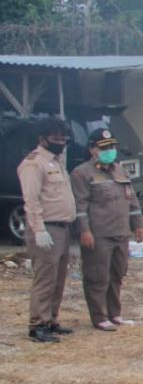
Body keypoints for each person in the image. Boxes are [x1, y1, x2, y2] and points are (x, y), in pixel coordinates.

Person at [70, 128, 143, 331]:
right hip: (99, 234)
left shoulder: (119, 170)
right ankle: (99, 316)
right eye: (104, 148)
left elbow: (132, 201)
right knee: (97, 276)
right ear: (92, 149)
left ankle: (115, 313)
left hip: (120, 232)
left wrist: (138, 225)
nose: (110, 151)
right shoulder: (82, 173)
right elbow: (80, 206)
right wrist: (84, 231)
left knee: (117, 274)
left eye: (112, 146)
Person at [17, 118, 77, 343]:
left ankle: (51, 319)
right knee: (45, 278)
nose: (61, 142)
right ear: (42, 139)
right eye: (56, 138)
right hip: (46, 228)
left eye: (64, 139)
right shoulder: (34, 163)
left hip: (62, 228)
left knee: (58, 277)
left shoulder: (57, 161)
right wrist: (39, 230)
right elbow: (31, 201)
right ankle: (38, 325)